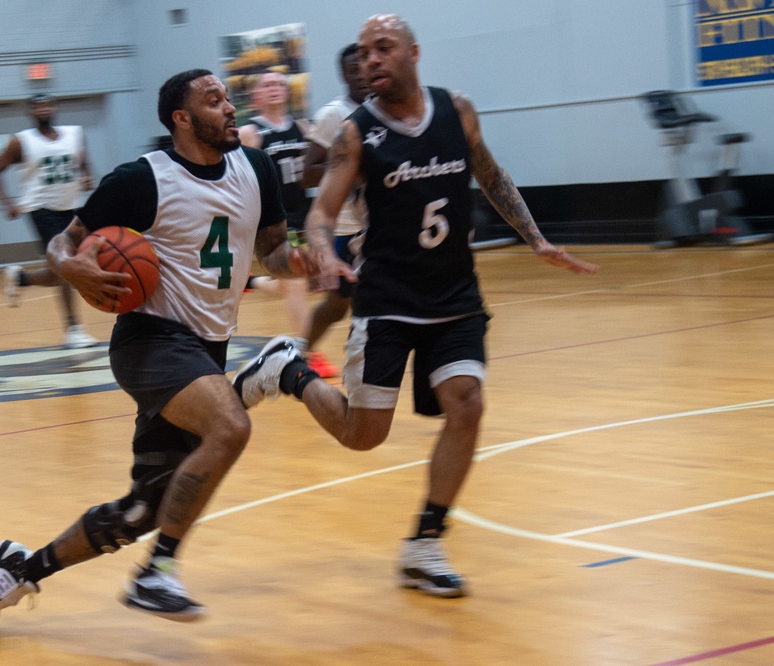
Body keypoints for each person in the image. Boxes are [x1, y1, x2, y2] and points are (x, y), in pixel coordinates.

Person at [232, 15, 599, 599]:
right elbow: (322, 213)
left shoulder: (458, 110)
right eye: (365, 52)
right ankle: (287, 370)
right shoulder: (356, 133)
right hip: (389, 297)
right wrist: (323, 252)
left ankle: (426, 541)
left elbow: (493, 175)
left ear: (413, 53)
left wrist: (536, 239)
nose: (372, 59)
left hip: (454, 293)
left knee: (468, 403)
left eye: (385, 48)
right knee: (363, 435)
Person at [0, 68, 315, 630]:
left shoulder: (256, 168)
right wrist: (70, 267)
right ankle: (158, 572)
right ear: (182, 119)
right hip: (149, 342)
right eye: (214, 100)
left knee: (142, 509)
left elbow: (272, 250)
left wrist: (297, 261)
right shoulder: (141, 180)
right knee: (230, 427)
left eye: (227, 97)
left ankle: (19, 568)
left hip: (206, 350)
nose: (229, 107)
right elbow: (65, 240)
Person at [238, 71, 338, 376]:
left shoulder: (304, 127)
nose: (274, 88)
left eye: (279, 84)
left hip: (301, 212)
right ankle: (308, 353)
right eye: (266, 85)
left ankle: (251, 283)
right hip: (272, 218)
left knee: (298, 283)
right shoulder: (251, 133)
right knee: (295, 283)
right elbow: (243, 180)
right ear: (256, 96)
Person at [0, 93, 98, 349]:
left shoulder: (74, 134)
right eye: (37, 106)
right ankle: (73, 329)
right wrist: (7, 203)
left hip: (71, 207)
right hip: (41, 209)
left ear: (55, 108)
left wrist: (87, 177)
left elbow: (83, 163)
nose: (43, 109)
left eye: (47, 104)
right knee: (66, 266)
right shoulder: (20, 141)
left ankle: (20, 279)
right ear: (29, 112)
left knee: (61, 269)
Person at [297, 43, 372, 379]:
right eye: (354, 68)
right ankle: (300, 353)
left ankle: (299, 352)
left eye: (366, 66)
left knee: (349, 304)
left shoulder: (385, 109)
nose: (363, 73)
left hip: (377, 223)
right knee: (346, 306)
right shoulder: (333, 114)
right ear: (344, 74)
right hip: (345, 228)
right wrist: (349, 162)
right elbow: (307, 173)